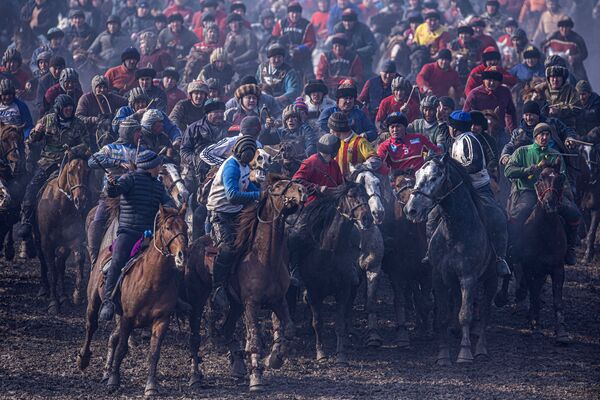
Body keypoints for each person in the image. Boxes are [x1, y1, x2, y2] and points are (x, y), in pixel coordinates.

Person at [426, 111, 511, 276]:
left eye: (450, 126)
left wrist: (454, 170)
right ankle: (431, 252)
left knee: (496, 216)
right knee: (432, 216)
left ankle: (500, 259)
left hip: (478, 189)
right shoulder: (456, 141)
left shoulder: (469, 139)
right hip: (458, 189)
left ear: (455, 128)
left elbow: (475, 164)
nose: (449, 129)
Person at [98, 149, 176, 320]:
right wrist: (111, 185)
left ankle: (175, 299)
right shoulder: (129, 178)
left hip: (149, 234)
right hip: (128, 232)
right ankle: (108, 300)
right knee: (117, 260)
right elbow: (113, 192)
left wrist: (174, 209)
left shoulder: (158, 185)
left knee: (170, 261)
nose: (159, 168)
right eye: (157, 165)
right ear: (150, 167)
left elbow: (168, 202)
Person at [504, 122, 581, 265]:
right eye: (541, 134)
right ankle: (512, 247)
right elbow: (508, 170)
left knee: (574, 213)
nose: (544, 137)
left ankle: (570, 248)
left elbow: (563, 176)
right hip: (528, 191)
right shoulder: (522, 152)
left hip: (552, 193)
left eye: (547, 134)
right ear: (535, 137)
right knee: (518, 214)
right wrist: (528, 170)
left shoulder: (555, 154)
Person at [18, 94, 90, 240]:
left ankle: (87, 221)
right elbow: (30, 142)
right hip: (48, 163)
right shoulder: (47, 120)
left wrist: (74, 150)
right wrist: (36, 131)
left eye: (70, 107)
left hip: (71, 163)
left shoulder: (78, 124)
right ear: (59, 108)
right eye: (66, 107)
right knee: (32, 188)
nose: (69, 110)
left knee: (88, 187)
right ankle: (26, 220)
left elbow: (87, 144)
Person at [206, 134, 262, 308]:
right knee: (228, 248)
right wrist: (258, 195)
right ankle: (218, 287)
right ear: (239, 151)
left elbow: (248, 186)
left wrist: (263, 190)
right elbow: (232, 196)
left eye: (250, 152)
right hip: (220, 213)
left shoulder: (245, 167)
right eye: (245, 152)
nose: (247, 155)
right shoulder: (231, 166)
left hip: (237, 212)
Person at [87, 118, 141, 266]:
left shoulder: (141, 150)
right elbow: (92, 161)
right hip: (111, 197)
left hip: (135, 197)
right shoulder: (110, 149)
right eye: (137, 132)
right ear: (128, 133)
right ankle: (93, 259)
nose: (140, 136)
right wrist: (117, 163)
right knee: (97, 220)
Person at [463, 66, 517, 132]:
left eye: (495, 80)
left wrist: (512, 130)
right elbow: (465, 114)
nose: (492, 83)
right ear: (483, 80)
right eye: (489, 80)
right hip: (478, 131)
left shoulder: (505, 92)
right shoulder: (474, 94)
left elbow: (511, 113)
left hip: (499, 130)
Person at [271, 2, 317, 80]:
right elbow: (274, 39)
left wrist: (299, 48)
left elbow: (312, 42)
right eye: (292, 12)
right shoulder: (280, 23)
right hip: (284, 57)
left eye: (297, 13)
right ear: (288, 13)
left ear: (300, 13)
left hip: (303, 57)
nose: (295, 15)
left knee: (310, 77)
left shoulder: (307, 25)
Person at [327, 111, 381, 176]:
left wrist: (359, 168)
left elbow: (376, 161)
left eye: (331, 128)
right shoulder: (335, 142)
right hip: (339, 183)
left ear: (338, 129)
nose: (330, 131)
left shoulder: (360, 142)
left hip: (355, 184)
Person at [333, 8, 378, 78]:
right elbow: (334, 45)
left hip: (362, 60)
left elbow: (372, 46)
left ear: (355, 21)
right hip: (342, 59)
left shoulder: (364, 29)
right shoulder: (338, 28)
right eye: (345, 21)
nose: (347, 23)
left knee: (366, 78)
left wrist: (356, 52)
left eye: (350, 21)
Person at [542, 16, 588, 81]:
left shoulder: (577, 39)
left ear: (570, 28)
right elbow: (543, 46)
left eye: (567, 27)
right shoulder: (553, 36)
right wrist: (548, 54)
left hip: (573, 66)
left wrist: (574, 58)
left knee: (582, 81)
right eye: (562, 27)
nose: (564, 29)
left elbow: (584, 54)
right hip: (555, 64)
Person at [223, 13, 258, 78]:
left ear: (240, 23)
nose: (234, 24)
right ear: (229, 25)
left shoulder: (248, 34)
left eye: (236, 22)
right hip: (234, 68)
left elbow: (252, 52)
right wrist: (231, 43)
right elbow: (226, 52)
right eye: (231, 23)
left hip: (248, 67)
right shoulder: (229, 35)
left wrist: (237, 59)